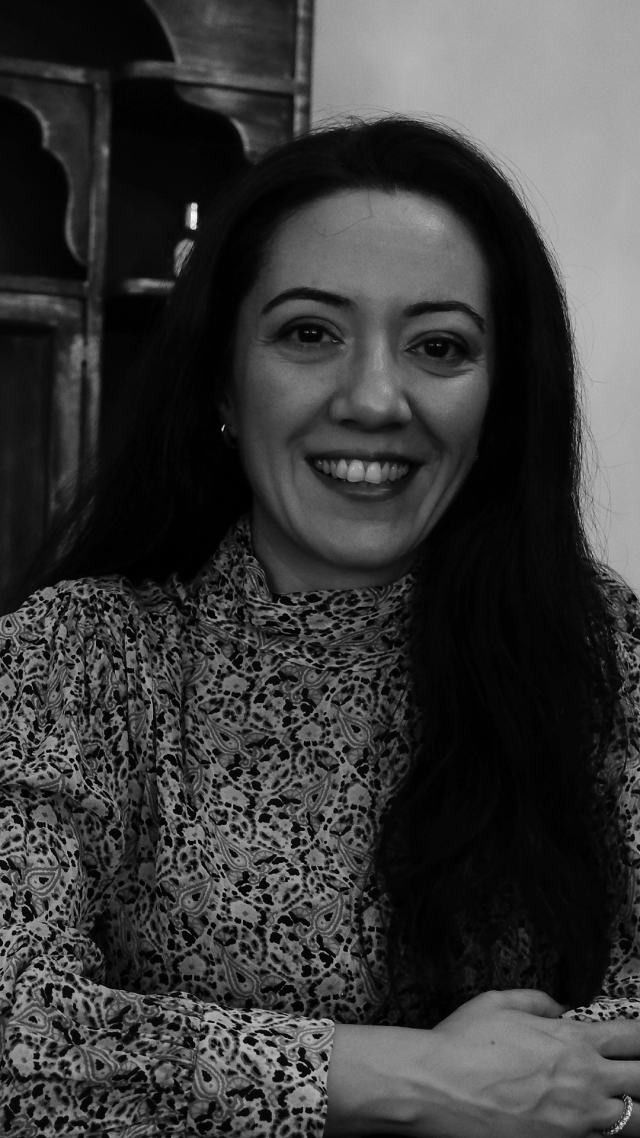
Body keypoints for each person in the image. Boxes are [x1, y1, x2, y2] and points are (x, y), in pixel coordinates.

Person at [1, 116, 640, 1138]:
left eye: (439, 346)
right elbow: (16, 1033)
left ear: (500, 396)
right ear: (222, 375)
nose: (376, 398)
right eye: (310, 333)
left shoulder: (596, 647)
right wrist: (410, 1079)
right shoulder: (76, 656)